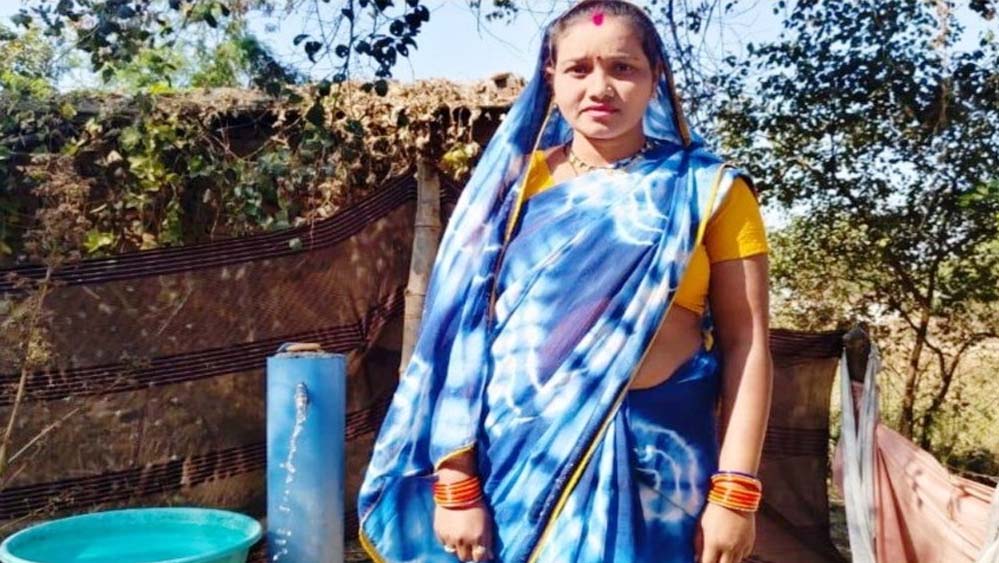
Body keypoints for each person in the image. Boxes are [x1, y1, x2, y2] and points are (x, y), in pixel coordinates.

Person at [357, 1, 773, 562]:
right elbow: (458, 338)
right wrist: (455, 478)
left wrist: (736, 492)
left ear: (656, 77)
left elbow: (748, 342)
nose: (600, 87)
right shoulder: (506, 192)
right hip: (517, 464)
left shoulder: (709, 190)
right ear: (550, 77)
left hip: (662, 466)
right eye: (579, 68)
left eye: (623, 67)